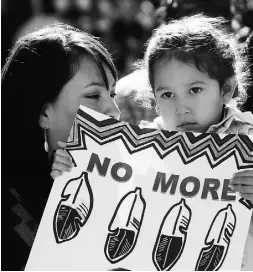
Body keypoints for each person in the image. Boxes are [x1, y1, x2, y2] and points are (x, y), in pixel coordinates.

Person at [135, 14, 253, 270]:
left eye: (195, 90)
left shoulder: (249, 140)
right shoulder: (142, 147)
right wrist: (71, 164)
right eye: (167, 94)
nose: (181, 108)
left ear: (226, 90)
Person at [1, 23, 120, 270]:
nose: (114, 110)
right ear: (43, 112)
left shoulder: (123, 183)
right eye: (93, 95)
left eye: (112, 94)